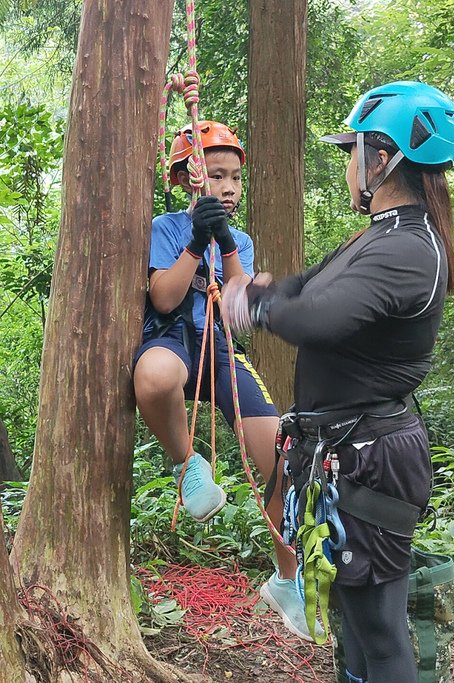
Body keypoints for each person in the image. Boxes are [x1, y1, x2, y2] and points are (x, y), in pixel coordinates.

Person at [220, 81, 454, 683]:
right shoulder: (383, 235)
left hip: (371, 458)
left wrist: (255, 307)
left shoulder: (409, 248)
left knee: (378, 629)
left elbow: (316, 317)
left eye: (352, 151)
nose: (350, 165)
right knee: (353, 627)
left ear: (382, 159)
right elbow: (304, 286)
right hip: (347, 452)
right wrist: (237, 261)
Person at [132, 120, 316, 641]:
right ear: (189, 179)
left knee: (282, 458)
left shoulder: (242, 240)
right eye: (216, 175)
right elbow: (165, 299)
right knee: (155, 376)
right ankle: (188, 464)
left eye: (235, 177)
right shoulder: (164, 229)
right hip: (173, 341)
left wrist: (225, 242)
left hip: (219, 351)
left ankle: (288, 580)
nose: (230, 186)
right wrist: (195, 241)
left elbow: (238, 312)